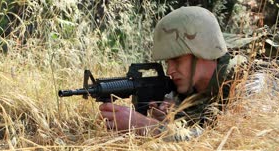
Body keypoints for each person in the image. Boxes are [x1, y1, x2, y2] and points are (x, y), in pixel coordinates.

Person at [99, 6, 237, 139]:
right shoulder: (179, 92)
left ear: (203, 52)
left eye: (177, 60)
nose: (170, 71)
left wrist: (148, 127)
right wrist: (167, 121)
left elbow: (225, 140)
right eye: (167, 63)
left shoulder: (245, 81)